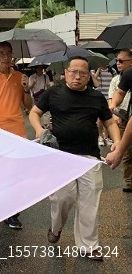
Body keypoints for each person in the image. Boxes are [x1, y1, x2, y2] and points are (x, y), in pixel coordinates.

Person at [29, 56, 121, 260]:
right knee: (62, 198)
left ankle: (89, 246)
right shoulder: (54, 93)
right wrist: (38, 129)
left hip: (89, 156)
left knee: (90, 201)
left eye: (83, 73)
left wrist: (116, 142)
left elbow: (109, 122)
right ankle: (56, 227)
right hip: (60, 155)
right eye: (74, 72)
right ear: (66, 73)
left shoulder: (96, 97)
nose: (77, 76)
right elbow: (34, 112)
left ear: (89, 75)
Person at [0, 41, 32, 230]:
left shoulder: (19, 77)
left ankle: (12, 212)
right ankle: (2, 208)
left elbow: (29, 106)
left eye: (8, 53)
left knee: (16, 173)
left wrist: (26, 88)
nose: (5, 57)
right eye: (1, 53)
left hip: (17, 129)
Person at [108, 49, 132, 192]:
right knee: (128, 153)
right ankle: (130, 182)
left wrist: (118, 153)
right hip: (124, 118)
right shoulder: (128, 75)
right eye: (117, 61)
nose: (118, 63)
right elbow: (119, 92)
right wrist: (113, 105)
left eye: (121, 61)